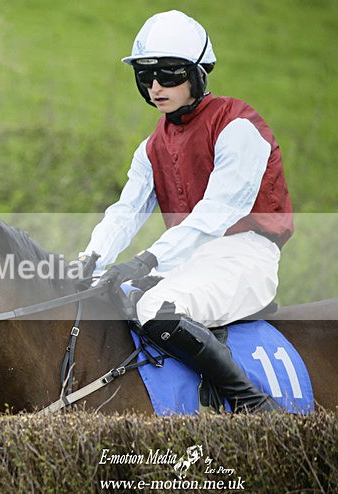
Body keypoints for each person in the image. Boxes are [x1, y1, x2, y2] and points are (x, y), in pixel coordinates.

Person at [79, 10, 293, 412]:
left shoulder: (238, 126)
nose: (156, 86)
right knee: (111, 298)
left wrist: (146, 260)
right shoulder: (150, 147)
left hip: (246, 255)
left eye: (169, 74)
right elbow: (125, 212)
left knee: (153, 308)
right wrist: (91, 259)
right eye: (146, 76)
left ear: (197, 74)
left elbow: (216, 214)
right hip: (190, 262)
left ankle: (256, 406)